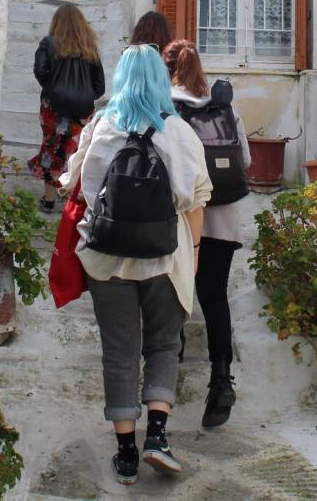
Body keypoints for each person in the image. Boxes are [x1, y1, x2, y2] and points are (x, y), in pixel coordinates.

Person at [59, 45, 211, 485]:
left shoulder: (101, 128)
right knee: (163, 344)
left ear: (122, 79)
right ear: (162, 83)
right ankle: (157, 437)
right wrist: (196, 252)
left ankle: (125, 454)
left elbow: (76, 185)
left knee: (120, 351)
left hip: (106, 258)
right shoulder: (179, 131)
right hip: (166, 256)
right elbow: (197, 198)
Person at [162, 39, 251, 429]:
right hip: (224, 216)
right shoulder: (224, 104)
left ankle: (171, 361)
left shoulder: (166, 107)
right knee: (214, 296)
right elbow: (245, 160)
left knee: (174, 290)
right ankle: (220, 378)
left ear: (167, 70)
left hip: (183, 217)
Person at [31, 4, 104, 212]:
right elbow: (100, 86)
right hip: (82, 110)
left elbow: (39, 70)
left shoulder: (48, 43)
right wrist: (85, 96)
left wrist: (51, 87)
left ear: (57, 22)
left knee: (51, 149)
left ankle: (49, 199)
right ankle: (73, 199)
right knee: (76, 151)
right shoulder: (89, 46)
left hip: (53, 107)